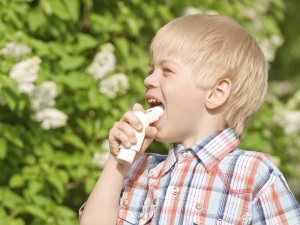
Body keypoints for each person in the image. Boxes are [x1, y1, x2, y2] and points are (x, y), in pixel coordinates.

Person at [79, 14, 300, 225]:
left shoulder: (254, 174)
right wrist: (117, 161)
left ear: (215, 93)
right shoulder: (139, 170)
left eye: (166, 70)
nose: (148, 79)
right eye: (151, 69)